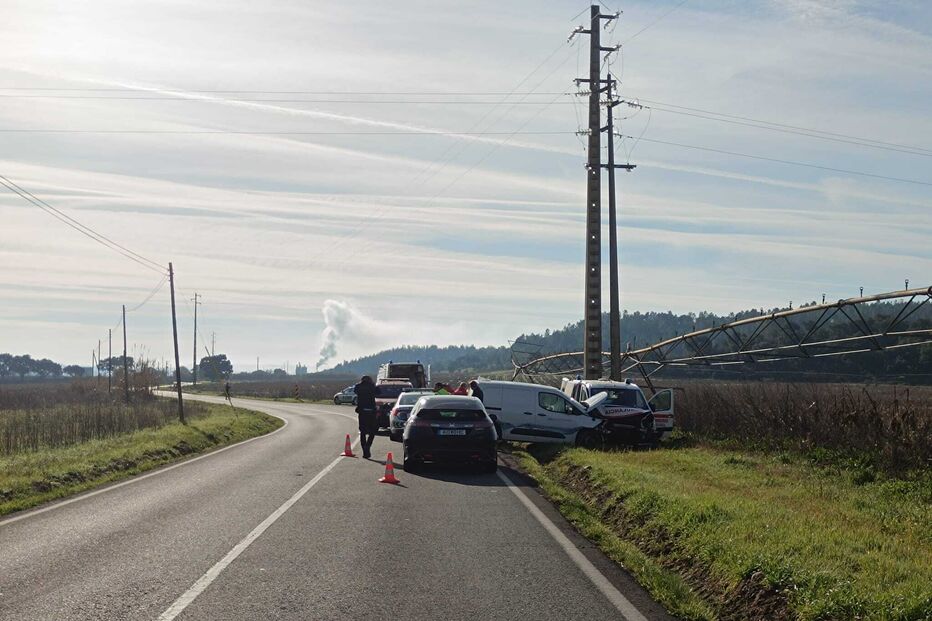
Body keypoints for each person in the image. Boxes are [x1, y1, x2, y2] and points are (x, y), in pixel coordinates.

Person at [354, 375, 378, 458]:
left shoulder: (358, 386)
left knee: (363, 431)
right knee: (373, 431)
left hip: (362, 411)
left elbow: (355, 391)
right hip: (371, 411)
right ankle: (368, 445)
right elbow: (379, 392)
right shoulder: (372, 386)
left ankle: (364, 449)